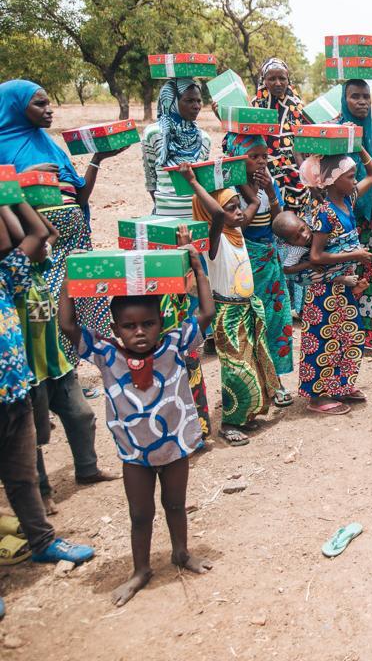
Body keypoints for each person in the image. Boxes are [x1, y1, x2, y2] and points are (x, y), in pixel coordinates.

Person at [59, 228, 213, 606]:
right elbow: (67, 326)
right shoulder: (106, 353)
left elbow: (206, 312)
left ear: (161, 323)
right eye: (129, 326)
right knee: (140, 514)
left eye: (148, 324)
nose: (140, 332)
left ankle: (181, 553)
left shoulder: (174, 345)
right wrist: (69, 279)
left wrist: (197, 268)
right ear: (115, 329)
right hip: (135, 454)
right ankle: (141, 570)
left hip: (174, 448)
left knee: (175, 505)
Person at [0, 207, 94, 620]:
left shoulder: (6, 276)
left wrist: (8, 194)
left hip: (14, 392)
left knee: (22, 478)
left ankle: (41, 542)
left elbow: (37, 234)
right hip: (16, 389)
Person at [0, 80, 120, 383]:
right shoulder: (2, 147)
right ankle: (52, 377)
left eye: (49, 102)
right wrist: (23, 177)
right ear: (15, 108)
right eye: (39, 103)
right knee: (48, 306)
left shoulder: (50, 145)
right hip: (39, 243)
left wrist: (97, 159)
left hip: (75, 239)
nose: (49, 109)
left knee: (83, 300)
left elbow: (80, 195)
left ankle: (79, 371)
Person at [14, 202, 116, 514]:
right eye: (39, 244)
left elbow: (52, 234)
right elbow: (43, 235)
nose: (47, 246)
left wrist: (29, 201)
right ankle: (42, 493)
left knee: (82, 416)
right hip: (31, 371)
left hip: (57, 363)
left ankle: (87, 469)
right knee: (34, 437)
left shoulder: (39, 270)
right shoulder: (15, 279)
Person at [182, 164, 281, 445]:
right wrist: (193, 182)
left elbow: (255, 203)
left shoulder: (237, 231)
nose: (239, 212)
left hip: (246, 306)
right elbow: (215, 214)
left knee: (252, 362)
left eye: (238, 206)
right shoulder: (215, 240)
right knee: (235, 369)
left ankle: (245, 415)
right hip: (227, 312)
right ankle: (228, 423)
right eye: (231, 208)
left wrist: (245, 181)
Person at [298, 152, 372, 415]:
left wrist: (359, 146)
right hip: (324, 287)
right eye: (350, 176)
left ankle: (339, 385)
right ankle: (317, 397)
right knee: (323, 339)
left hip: (342, 286)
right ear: (333, 180)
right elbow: (316, 256)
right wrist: (354, 254)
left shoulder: (348, 200)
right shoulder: (325, 212)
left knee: (349, 335)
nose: (355, 181)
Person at [228, 133, 294, 408]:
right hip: (245, 263)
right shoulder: (230, 190)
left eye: (264, 156)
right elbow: (237, 229)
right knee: (251, 324)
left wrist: (270, 194)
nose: (261, 162)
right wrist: (253, 198)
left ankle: (275, 379)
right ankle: (256, 381)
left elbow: (279, 222)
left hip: (269, 262)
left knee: (275, 320)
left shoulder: (270, 183)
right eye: (253, 156)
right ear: (237, 158)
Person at [339, 79, 372, 353]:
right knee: (348, 274)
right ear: (344, 99)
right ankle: (348, 336)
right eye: (355, 96)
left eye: (366, 96)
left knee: (371, 275)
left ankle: (368, 336)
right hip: (347, 217)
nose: (362, 102)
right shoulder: (336, 129)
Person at [143, 79, 212, 218]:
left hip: (197, 217)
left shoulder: (204, 139)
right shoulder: (153, 134)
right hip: (164, 217)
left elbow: (202, 182)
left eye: (199, 101)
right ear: (171, 102)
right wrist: (165, 206)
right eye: (189, 101)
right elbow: (151, 178)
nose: (196, 106)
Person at [250, 57, 307, 212]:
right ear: (264, 80)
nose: (278, 83)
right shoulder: (254, 106)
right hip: (265, 171)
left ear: (288, 80)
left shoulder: (298, 107)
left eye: (282, 78)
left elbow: (309, 139)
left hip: (295, 172)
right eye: (272, 79)